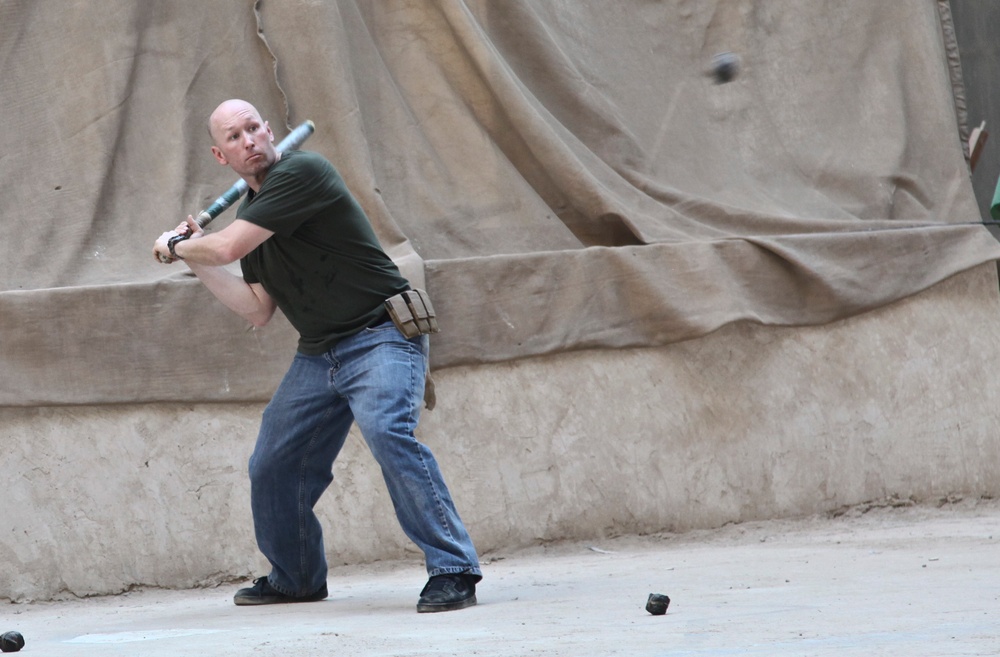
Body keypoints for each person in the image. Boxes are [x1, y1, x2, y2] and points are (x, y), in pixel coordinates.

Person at [153, 99, 482, 613]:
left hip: (382, 334)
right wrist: (194, 257)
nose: (250, 142)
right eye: (234, 138)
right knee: (273, 463)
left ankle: (453, 568)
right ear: (221, 156)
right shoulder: (251, 219)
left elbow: (224, 250)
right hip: (320, 354)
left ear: (269, 130)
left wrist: (179, 248)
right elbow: (256, 308)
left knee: (387, 432)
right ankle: (297, 576)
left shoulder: (303, 172)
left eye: (254, 128)